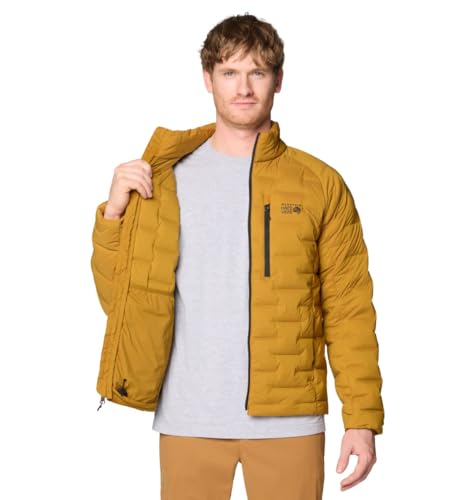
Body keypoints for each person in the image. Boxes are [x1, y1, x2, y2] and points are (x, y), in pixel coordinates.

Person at [90, 12, 384, 500]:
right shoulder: (162, 181)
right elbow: (120, 300)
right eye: (229, 72)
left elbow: (349, 310)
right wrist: (114, 214)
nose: (243, 88)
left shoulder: (320, 184)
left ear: (278, 80)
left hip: (290, 422)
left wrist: (362, 418)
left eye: (257, 72)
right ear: (208, 79)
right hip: (189, 418)